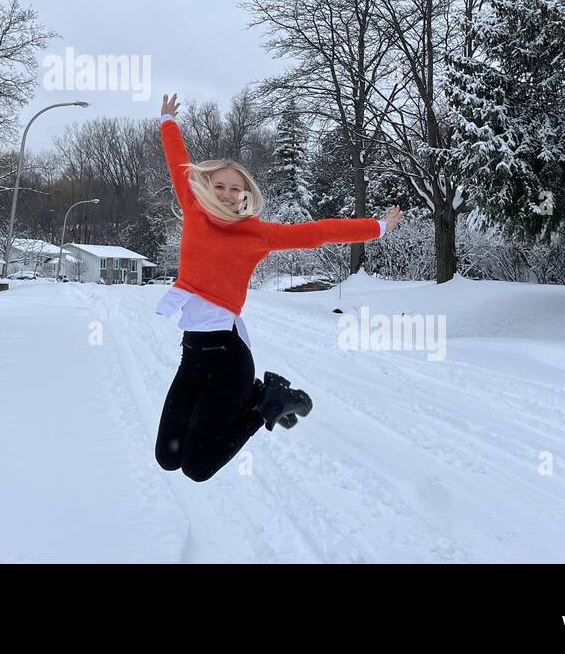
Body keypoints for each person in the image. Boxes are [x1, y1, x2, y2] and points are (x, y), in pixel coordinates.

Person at [154, 92, 403, 482]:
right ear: (206, 187)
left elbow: (318, 233)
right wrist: (168, 122)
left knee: (196, 467)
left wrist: (379, 227)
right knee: (167, 458)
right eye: (218, 186)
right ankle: (261, 396)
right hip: (192, 355)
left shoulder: (257, 234)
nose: (226, 193)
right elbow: (177, 163)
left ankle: (265, 402)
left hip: (228, 360)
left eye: (235, 189)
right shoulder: (194, 212)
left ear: (246, 197)